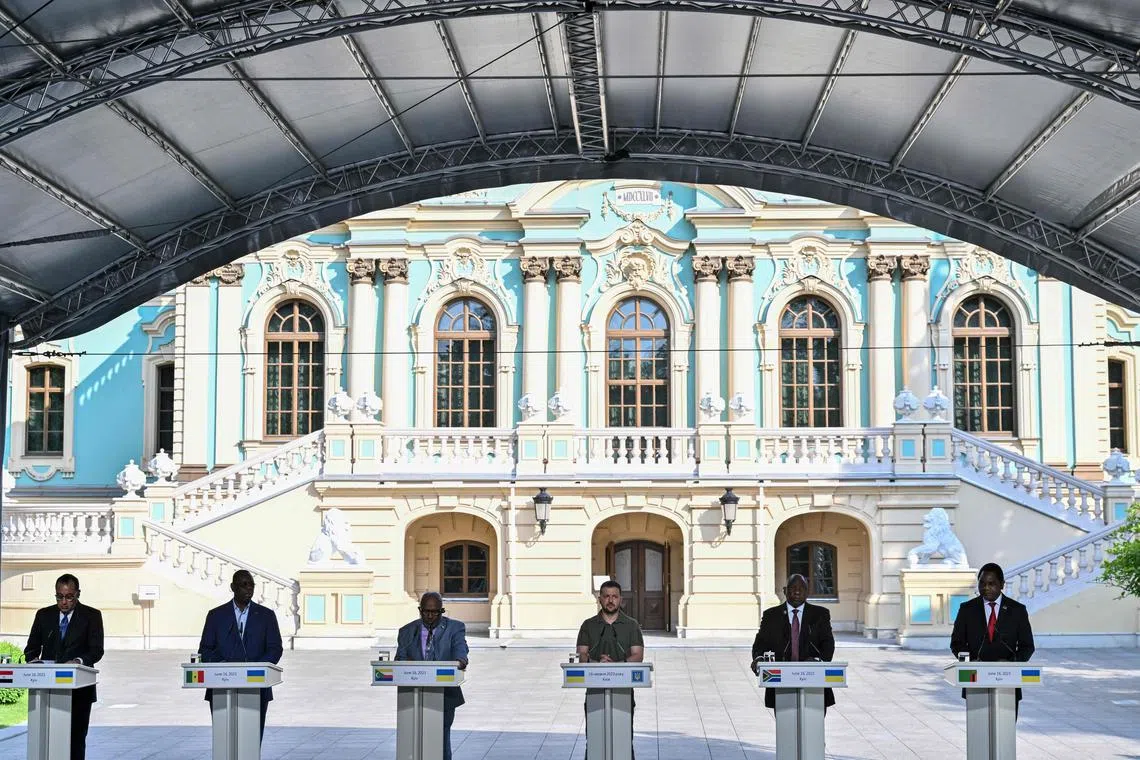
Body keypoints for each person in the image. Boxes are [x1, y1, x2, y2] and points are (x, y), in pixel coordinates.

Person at [24, 573, 104, 760]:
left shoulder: (91, 616)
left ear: (78, 594)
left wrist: (78, 662)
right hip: (47, 690)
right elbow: (31, 648)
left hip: (79, 691)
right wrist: (34, 660)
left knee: (75, 740)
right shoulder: (44, 615)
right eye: (59, 597)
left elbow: (96, 650)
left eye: (69, 597)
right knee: (48, 739)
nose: (64, 602)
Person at [197, 569, 284, 742]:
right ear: (233, 587)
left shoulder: (266, 616)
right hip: (221, 687)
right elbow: (205, 650)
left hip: (256, 687)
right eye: (243, 585)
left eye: (251, 585)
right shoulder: (216, 616)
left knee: (251, 740)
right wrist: (224, 665)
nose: (248, 589)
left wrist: (255, 668)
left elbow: (275, 648)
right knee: (226, 739)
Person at [950, 562, 1035, 714]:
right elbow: (957, 643)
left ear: (1002, 584)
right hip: (975, 680)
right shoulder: (967, 609)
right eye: (982, 583)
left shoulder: (1017, 610)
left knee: (1005, 731)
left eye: (991, 584)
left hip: (1008, 682)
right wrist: (969, 662)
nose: (986, 588)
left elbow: (1027, 646)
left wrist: (1011, 663)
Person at [396, 592, 469, 760]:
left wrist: (460, 660)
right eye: (425, 612)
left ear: (441, 611)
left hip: (444, 695)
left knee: (440, 739)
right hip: (412, 696)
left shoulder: (455, 628)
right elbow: (399, 659)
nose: (430, 616)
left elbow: (460, 648)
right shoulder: (407, 631)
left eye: (434, 612)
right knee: (414, 739)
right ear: (420, 610)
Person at [576, 580, 645, 758]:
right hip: (594, 691)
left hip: (623, 691)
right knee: (593, 738)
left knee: (624, 737)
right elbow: (582, 654)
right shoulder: (588, 625)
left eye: (614, 596)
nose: (610, 600)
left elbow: (638, 655)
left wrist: (616, 666)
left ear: (620, 599)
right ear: (600, 599)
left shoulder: (631, 625)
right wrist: (595, 663)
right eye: (606, 596)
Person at [751, 573, 837, 712]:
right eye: (793, 588)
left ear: (807, 591)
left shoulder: (820, 614)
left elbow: (828, 643)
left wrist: (819, 660)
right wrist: (759, 658)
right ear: (785, 591)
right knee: (786, 728)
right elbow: (760, 644)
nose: (797, 591)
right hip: (780, 683)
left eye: (801, 588)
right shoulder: (771, 615)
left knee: (814, 728)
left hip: (814, 681)